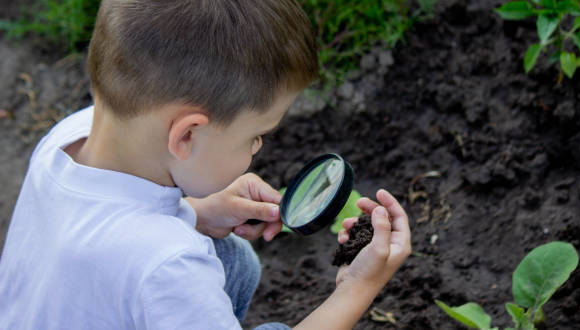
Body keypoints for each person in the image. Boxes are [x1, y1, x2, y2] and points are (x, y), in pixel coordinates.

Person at [0, 0, 412, 329]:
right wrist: (357, 287)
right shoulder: (171, 265)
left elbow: (99, 236)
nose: (257, 149)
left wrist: (197, 212)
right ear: (186, 136)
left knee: (233, 258)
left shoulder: (70, 136)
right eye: (256, 137)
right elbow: (152, 260)